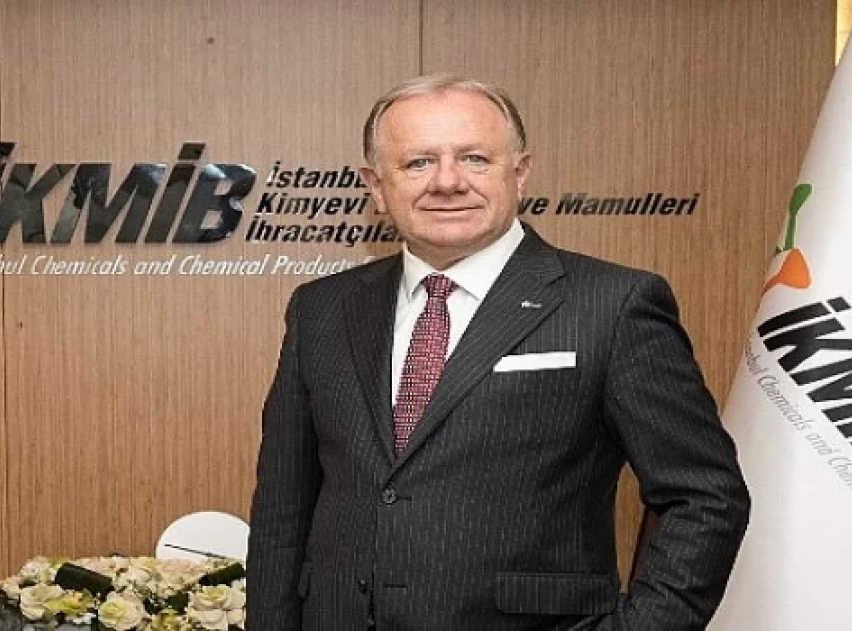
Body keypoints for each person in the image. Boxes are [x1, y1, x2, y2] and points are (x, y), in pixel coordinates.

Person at [246, 74, 750, 631]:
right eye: (417, 163)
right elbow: (282, 511)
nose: (447, 182)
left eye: (475, 159)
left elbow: (706, 496)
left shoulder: (612, 305)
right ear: (376, 185)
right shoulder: (321, 309)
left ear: (520, 171)